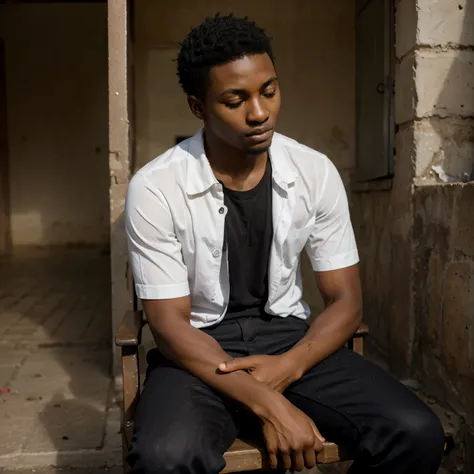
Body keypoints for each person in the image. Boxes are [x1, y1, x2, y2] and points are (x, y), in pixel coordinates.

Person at [124, 13, 445, 474]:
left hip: (290, 340)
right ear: (198, 107)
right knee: (164, 459)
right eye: (236, 100)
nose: (259, 113)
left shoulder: (314, 171)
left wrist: (287, 368)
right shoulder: (155, 186)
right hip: (196, 350)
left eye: (269, 92)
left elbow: (345, 302)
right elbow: (169, 326)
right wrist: (267, 402)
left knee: (416, 432)